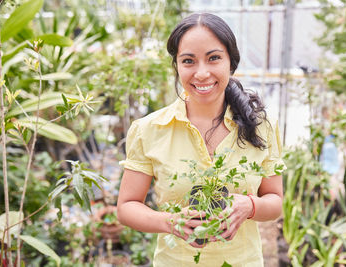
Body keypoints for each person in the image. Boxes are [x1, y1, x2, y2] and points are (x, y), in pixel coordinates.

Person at [117, 13, 285, 267]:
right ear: (177, 66)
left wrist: (250, 206)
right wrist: (170, 222)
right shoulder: (149, 129)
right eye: (188, 61)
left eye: (214, 58)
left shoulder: (261, 126)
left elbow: (275, 202)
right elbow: (127, 206)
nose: (202, 73)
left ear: (231, 62)